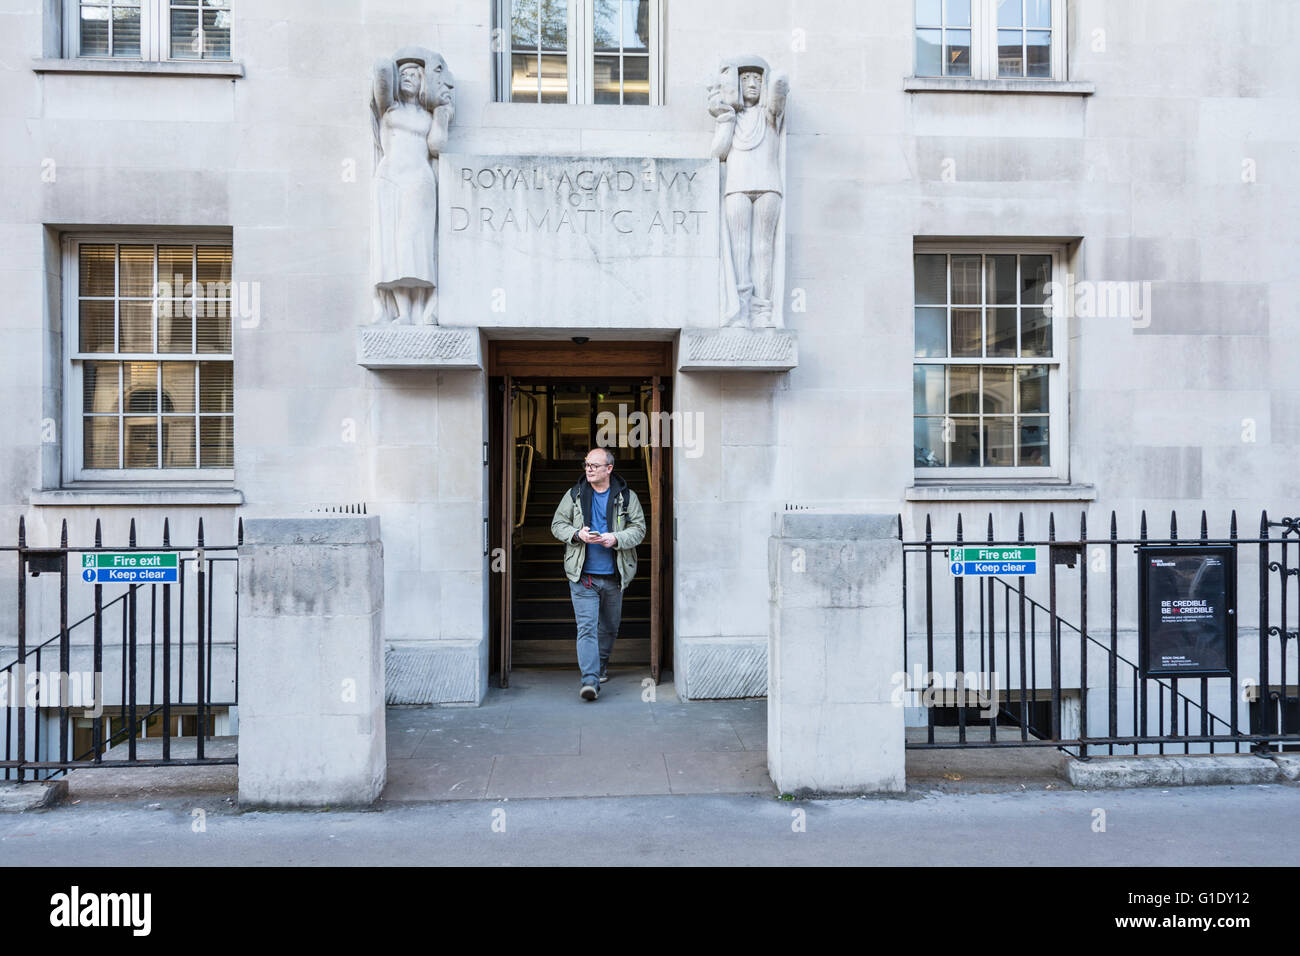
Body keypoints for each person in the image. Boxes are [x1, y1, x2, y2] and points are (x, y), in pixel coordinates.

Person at [550, 447, 647, 700]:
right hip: (583, 577)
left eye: (594, 465)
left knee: (610, 628)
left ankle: (601, 664)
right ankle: (590, 681)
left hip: (614, 576)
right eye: (586, 465)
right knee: (587, 628)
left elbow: (639, 530)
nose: (588, 469)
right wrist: (576, 534)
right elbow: (557, 524)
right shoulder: (574, 495)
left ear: (609, 469)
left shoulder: (626, 497)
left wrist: (616, 538)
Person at [369, 48, 454, 325]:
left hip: (419, 179)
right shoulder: (389, 109)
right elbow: (381, 72)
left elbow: (438, 146)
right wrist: (413, 59)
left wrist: (442, 111)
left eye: (414, 75)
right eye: (403, 74)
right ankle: (401, 312)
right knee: (391, 248)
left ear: (423, 82)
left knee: (412, 242)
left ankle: (419, 308)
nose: (408, 78)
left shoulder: (428, 116)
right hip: (390, 177)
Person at [708, 55, 789, 328]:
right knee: (740, 249)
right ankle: (741, 310)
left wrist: (769, 77)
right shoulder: (732, 117)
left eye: (757, 78)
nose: (752, 83)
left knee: (763, 249)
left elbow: (779, 85)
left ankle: (763, 311)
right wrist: (725, 113)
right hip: (737, 186)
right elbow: (717, 153)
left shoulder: (770, 115)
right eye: (745, 79)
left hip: (768, 185)